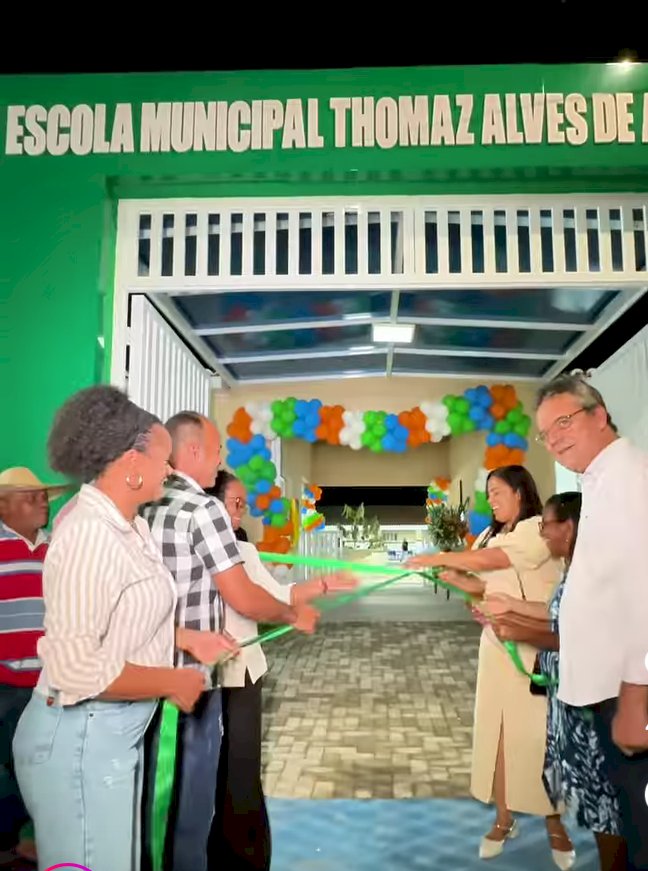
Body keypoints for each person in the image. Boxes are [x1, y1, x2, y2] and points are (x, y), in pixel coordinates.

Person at [11, 386, 236, 871]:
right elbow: (74, 668)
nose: (170, 470)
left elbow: (125, 613)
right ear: (131, 464)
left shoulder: (128, 524)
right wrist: (170, 680)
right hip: (78, 738)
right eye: (161, 460)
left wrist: (186, 638)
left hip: (108, 738)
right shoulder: (89, 532)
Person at [141, 412, 320, 871]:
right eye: (218, 450)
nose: (220, 460)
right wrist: (289, 613)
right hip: (193, 681)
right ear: (194, 450)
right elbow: (240, 594)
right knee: (192, 809)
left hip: (143, 679)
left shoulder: (143, 507)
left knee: (153, 806)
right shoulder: (203, 509)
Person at [408, 465, 572, 868]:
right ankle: (503, 819)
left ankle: (556, 826)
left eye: (499, 492)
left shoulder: (536, 530)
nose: (492, 500)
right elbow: (485, 586)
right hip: (496, 649)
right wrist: (458, 583)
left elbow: (494, 560)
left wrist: (439, 555)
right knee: (496, 734)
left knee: (538, 739)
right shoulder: (488, 535)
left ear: (520, 492)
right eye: (489, 494)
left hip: (535, 646)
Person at [206, 470, 356, 871]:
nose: (241, 512)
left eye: (242, 504)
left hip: (243, 674)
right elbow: (258, 603)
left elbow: (275, 595)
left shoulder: (242, 550)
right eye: (234, 503)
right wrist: (292, 614)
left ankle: (242, 854)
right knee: (219, 775)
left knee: (240, 772)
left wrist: (324, 585)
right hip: (211, 676)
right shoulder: (201, 547)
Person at [535, 373, 648, 871]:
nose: (555, 438)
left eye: (564, 421)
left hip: (628, 697)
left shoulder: (629, 479)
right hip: (608, 694)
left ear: (599, 415)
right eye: (545, 432)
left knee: (642, 832)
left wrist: (636, 698)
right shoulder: (599, 481)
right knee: (627, 822)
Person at [486, 492, 626, 871]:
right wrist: (514, 615)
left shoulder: (594, 575)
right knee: (601, 814)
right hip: (570, 704)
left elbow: (580, 638)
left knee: (610, 811)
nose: (543, 533)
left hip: (595, 710)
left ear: (569, 526)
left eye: (547, 525)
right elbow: (558, 620)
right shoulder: (574, 571)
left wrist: (521, 632)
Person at [0, 467, 68, 863]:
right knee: (6, 772)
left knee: (46, 769)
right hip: (4, 682)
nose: (42, 501)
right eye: (31, 496)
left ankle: (40, 843)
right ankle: (8, 844)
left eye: (43, 495)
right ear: (4, 506)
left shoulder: (56, 549)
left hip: (47, 684)